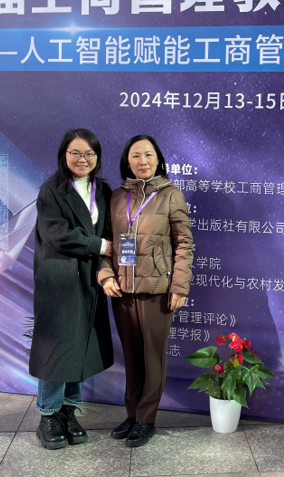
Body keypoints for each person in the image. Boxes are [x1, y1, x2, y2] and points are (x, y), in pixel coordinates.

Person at [98, 134, 193, 447]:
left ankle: (146, 418)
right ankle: (132, 413)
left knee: (153, 357)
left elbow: (184, 244)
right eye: (136, 155)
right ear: (127, 161)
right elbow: (107, 243)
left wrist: (179, 286)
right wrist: (106, 274)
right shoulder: (116, 197)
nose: (143, 161)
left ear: (158, 159)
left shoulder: (171, 195)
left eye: (148, 155)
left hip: (157, 290)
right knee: (132, 356)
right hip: (122, 290)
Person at [29, 129, 114, 450]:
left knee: (80, 346)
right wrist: (100, 245)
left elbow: (109, 228)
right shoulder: (51, 190)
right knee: (56, 349)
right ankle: (48, 415)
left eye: (89, 153)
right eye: (75, 153)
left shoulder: (103, 190)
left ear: (97, 157)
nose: (82, 159)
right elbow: (57, 234)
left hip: (90, 279)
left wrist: (108, 264)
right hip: (60, 280)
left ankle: (68, 411)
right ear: (64, 154)